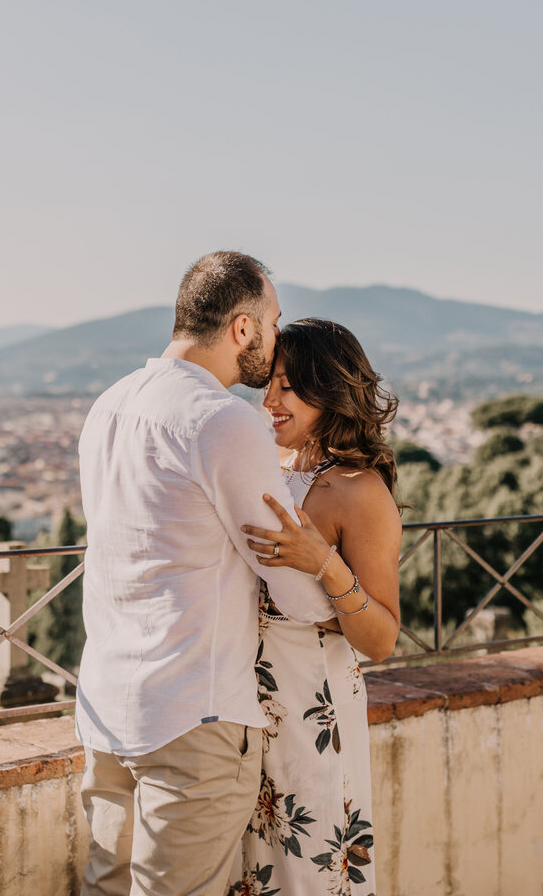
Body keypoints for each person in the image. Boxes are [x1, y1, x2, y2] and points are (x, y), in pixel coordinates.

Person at [76, 251, 337, 896]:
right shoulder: (221, 420)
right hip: (193, 713)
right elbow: (285, 569)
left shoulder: (107, 406)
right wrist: (345, 600)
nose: (276, 340)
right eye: (273, 323)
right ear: (243, 329)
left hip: (107, 709)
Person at [234, 318, 403, 896]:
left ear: (328, 389)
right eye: (269, 384)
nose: (270, 400)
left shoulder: (359, 491)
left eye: (288, 386)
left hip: (313, 711)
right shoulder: (266, 470)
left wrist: (323, 563)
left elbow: (381, 639)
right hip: (243, 709)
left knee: (308, 869)